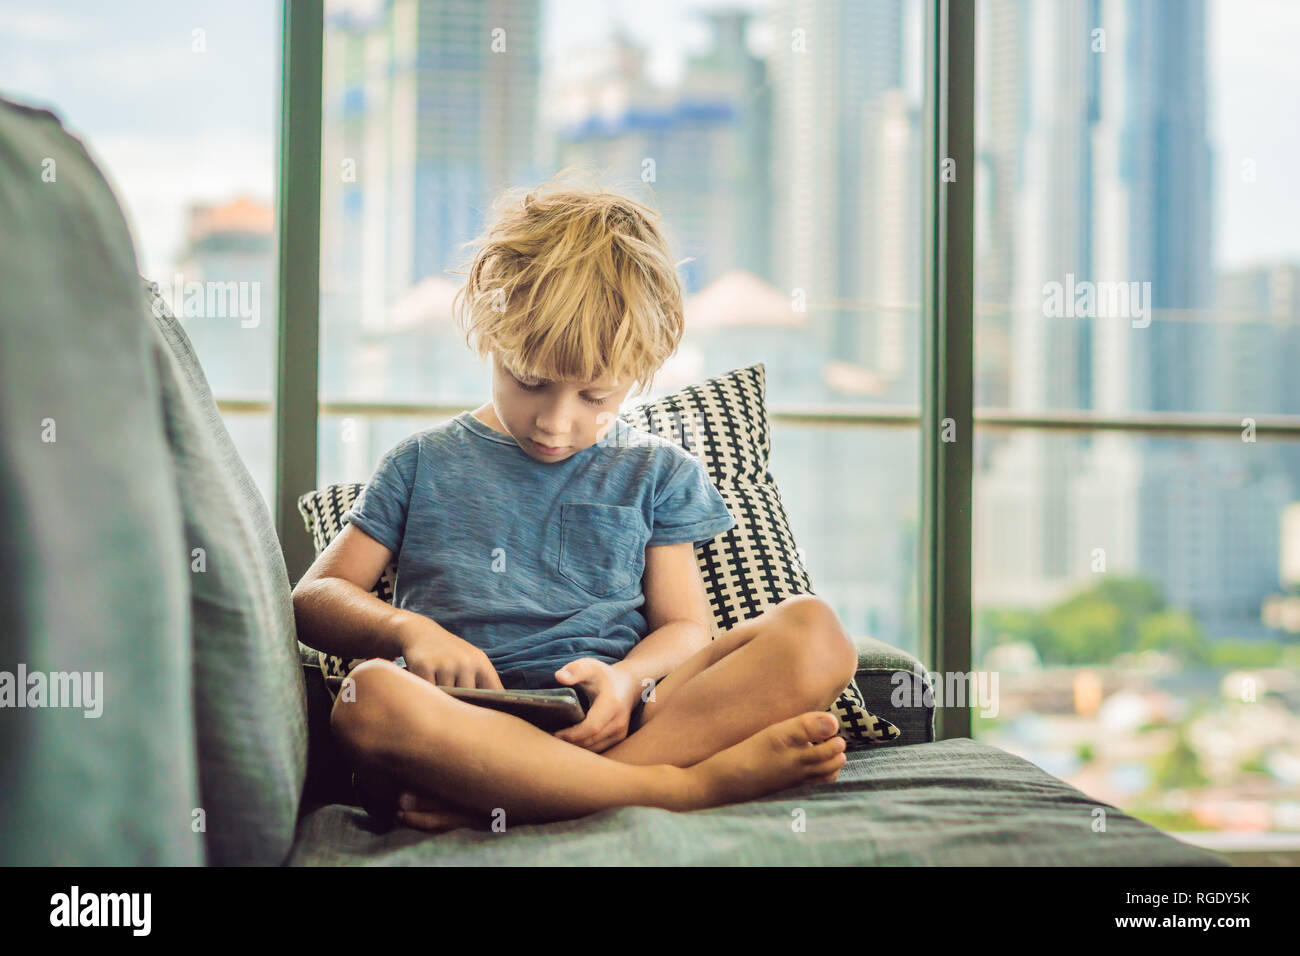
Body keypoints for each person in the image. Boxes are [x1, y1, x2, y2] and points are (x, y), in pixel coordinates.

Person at [292, 170, 858, 831]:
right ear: (489, 335)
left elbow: (685, 629)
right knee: (368, 698)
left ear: (641, 370)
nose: (555, 424)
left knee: (816, 633)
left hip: (617, 717)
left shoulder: (656, 472)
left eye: (595, 397)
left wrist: (627, 681)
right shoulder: (421, 463)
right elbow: (314, 600)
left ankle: (532, 793)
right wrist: (411, 631)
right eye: (529, 382)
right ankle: (686, 788)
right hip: (464, 723)